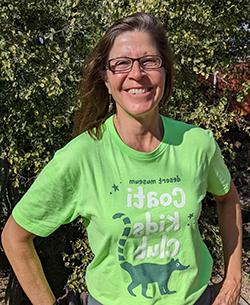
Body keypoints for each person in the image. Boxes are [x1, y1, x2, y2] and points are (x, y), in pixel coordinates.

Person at [1, 12, 242, 305]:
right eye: (121, 64)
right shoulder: (82, 157)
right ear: (105, 78)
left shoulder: (197, 143)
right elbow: (15, 236)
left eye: (149, 61)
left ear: (165, 71)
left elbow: (228, 198)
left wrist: (232, 281)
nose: (137, 74)